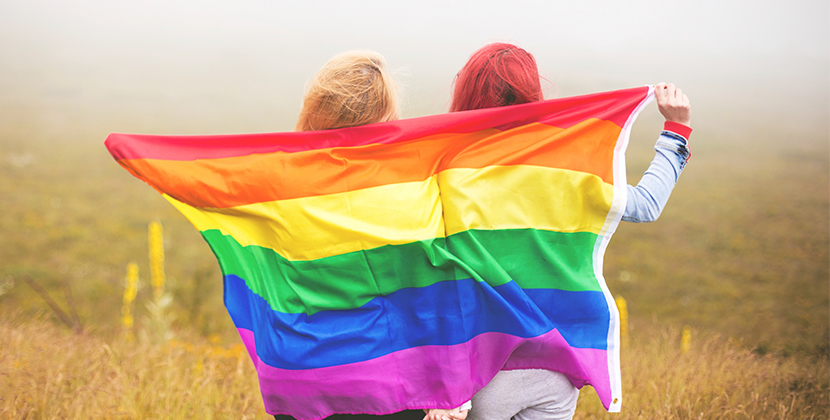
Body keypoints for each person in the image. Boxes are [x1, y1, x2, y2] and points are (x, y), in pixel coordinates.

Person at [428, 43, 693, 420]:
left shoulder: (448, 169)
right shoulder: (566, 168)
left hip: (478, 372)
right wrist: (676, 130)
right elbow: (645, 206)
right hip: (555, 372)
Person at [281, 51, 465, 420]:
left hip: (302, 384)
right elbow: (432, 296)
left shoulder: (281, 190)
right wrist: (448, 389)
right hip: (390, 389)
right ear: (387, 119)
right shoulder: (411, 193)